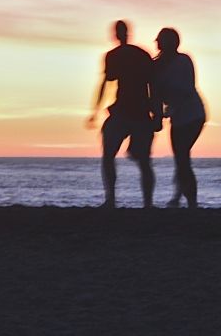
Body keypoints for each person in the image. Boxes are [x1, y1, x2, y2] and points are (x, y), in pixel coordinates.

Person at [86, 20, 156, 209]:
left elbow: (106, 82)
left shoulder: (116, 55)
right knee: (139, 160)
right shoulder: (141, 54)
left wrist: (95, 110)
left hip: (132, 111)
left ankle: (114, 199)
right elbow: (153, 85)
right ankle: (140, 202)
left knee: (115, 156)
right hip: (133, 111)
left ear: (117, 35)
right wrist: (155, 112)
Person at [152, 27, 206, 208]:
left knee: (182, 157)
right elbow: (156, 94)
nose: (157, 43)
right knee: (181, 158)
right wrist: (159, 115)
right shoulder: (157, 66)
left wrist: (166, 111)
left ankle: (190, 201)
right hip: (178, 116)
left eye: (160, 40)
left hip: (192, 114)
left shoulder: (183, 60)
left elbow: (187, 88)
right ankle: (179, 196)